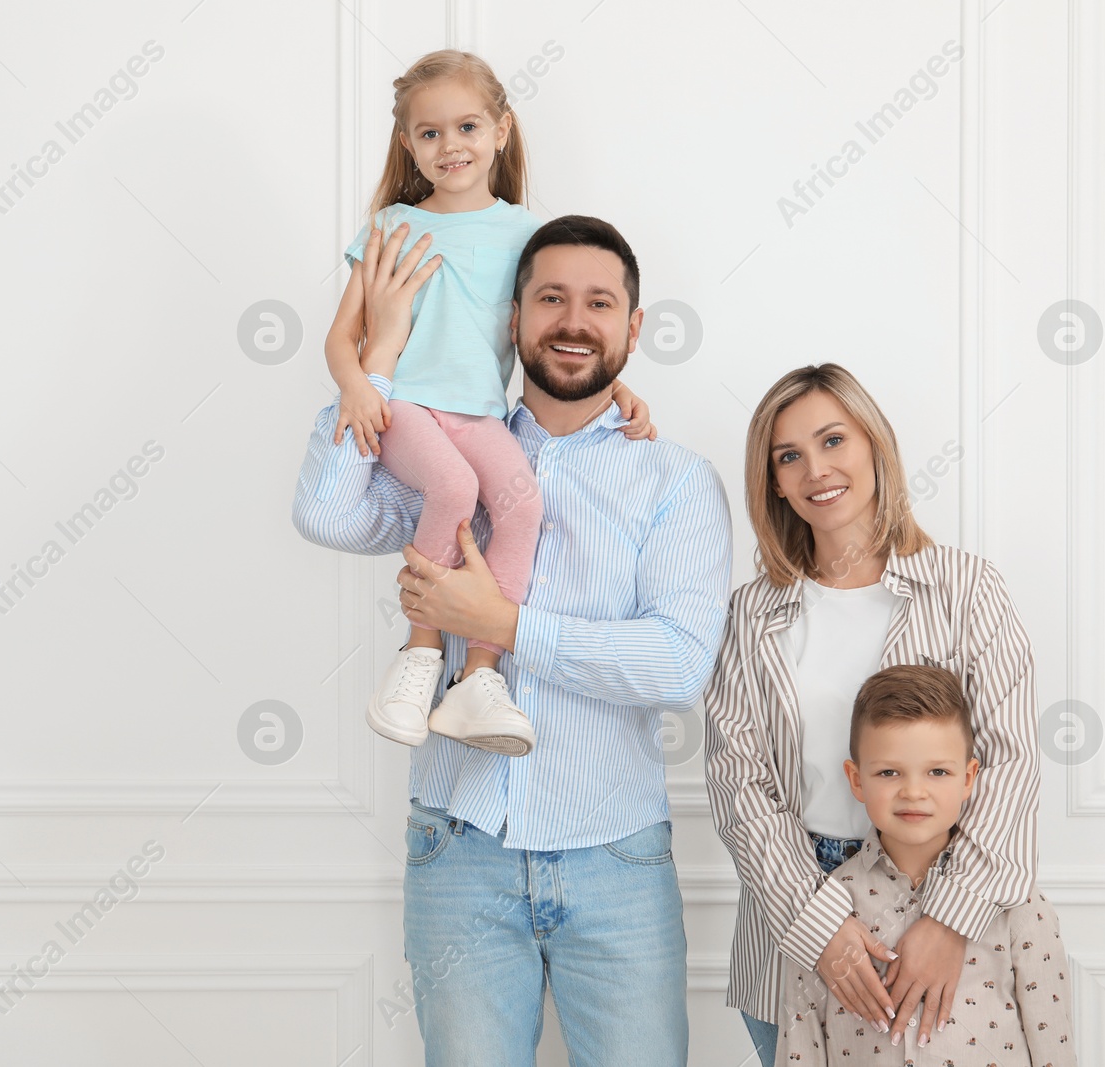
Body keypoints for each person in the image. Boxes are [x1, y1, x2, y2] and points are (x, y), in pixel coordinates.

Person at [291, 213, 732, 1065]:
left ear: (633, 328)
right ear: (513, 319)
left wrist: (505, 628)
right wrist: (378, 355)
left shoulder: (674, 479)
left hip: (617, 861)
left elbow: (678, 664)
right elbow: (324, 511)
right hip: (460, 851)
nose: (574, 321)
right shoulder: (441, 455)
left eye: (600, 303)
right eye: (551, 299)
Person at [702, 363, 1041, 1066]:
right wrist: (820, 926)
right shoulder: (750, 614)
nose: (815, 470)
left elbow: (1010, 763)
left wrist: (948, 918)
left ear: (874, 446)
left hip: (943, 891)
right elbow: (740, 787)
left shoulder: (966, 589)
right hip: (793, 909)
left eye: (833, 441)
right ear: (772, 481)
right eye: (787, 456)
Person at [325, 49, 652, 756]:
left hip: (475, 413)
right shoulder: (390, 225)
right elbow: (339, 336)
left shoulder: (521, 233)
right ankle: (418, 656)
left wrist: (615, 385)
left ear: (500, 130)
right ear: (408, 143)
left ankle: (477, 675)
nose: (451, 146)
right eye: (431, 133)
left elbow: (552, 331)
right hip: (407, 406)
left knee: (523, 505)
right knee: (453, 484)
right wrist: (356, 384)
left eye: (467, 126)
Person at [778, 664, 1075, 1066]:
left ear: (969, 777)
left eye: (938, 771)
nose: (914, 791)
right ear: (856, 779)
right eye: (889, 772)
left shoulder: (1019, 907)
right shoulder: (823, 911)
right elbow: (801, 1050)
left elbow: (1053, 1045)